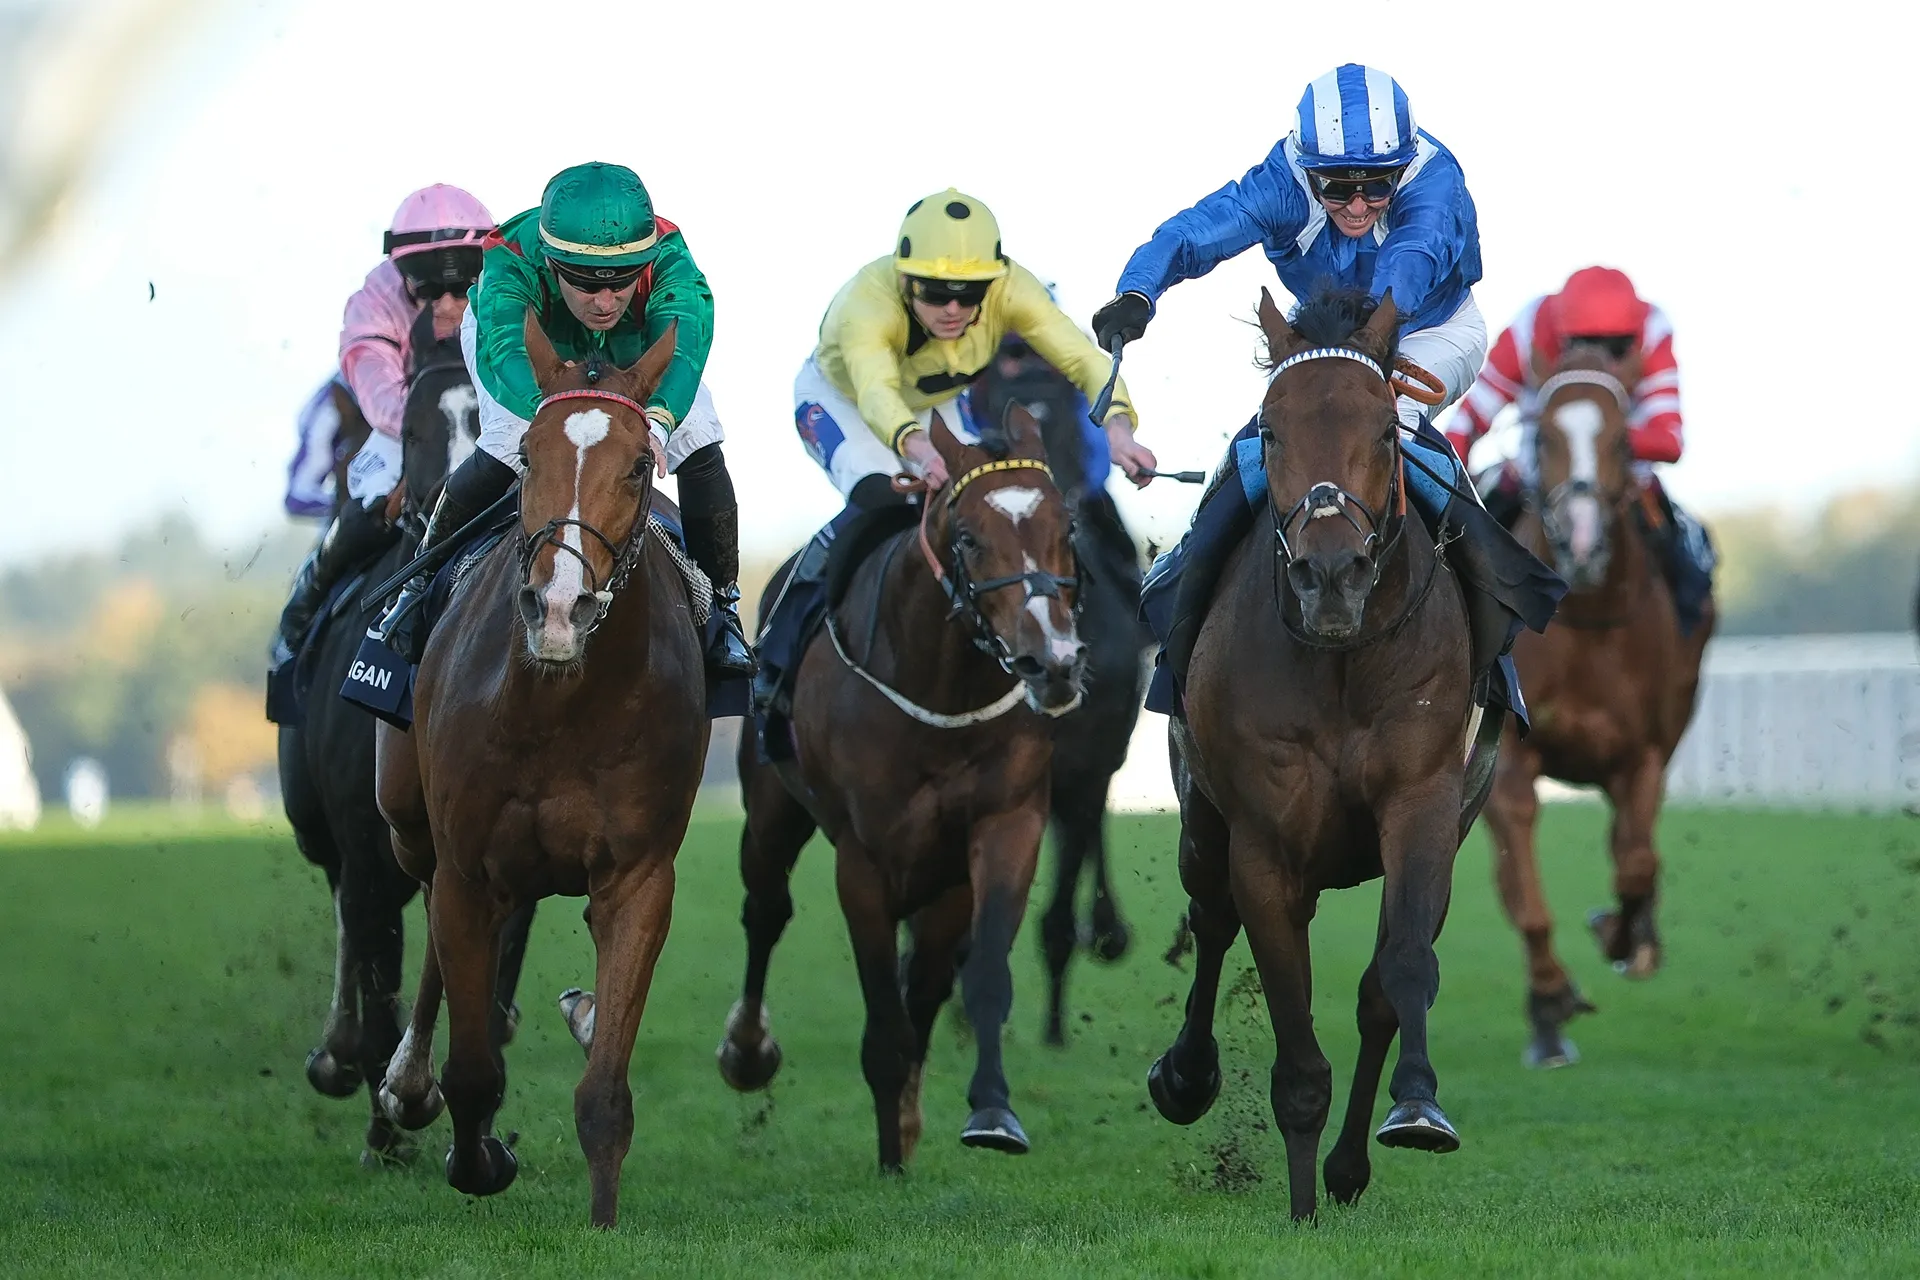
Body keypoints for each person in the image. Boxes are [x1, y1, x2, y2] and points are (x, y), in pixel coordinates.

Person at [1092, 64, 1558, 713]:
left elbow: (1408, 268)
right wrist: (1139, 290)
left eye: (1377, 185)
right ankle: (1183, 611)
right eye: (1339, 188)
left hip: (1429, 328)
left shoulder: (1435, 182)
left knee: (1391, 421)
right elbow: (1196, 233)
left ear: (1402, 168)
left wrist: (1360, 362)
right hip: (1329, 337)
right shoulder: (1281, 180)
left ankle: (1491, 642)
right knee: (1264, 440)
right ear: (1309, 172)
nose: (1361, 204)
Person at [754, 189, 1155, 730]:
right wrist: (915, 449)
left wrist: (1119, 428)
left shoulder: (1014, 289)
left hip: (936, 402)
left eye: (970, 296)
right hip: (845, 401)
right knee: (882, 496)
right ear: (904, 281)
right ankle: (776, 655)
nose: (954, 309)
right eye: (936, 293)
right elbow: (876, 393)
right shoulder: (866, 306)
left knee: (982, 506)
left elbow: (1083, 359)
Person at [371, 161, 755, 677]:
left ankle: (724, 610)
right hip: (532, 346)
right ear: (552, 264)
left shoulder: (672, 261)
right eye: (585, 283)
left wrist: (659, 423)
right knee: (508, 444)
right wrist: (552, 419)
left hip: (635, 349)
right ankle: (418, 588)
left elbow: (684, 350)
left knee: (700, 444)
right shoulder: (509, 262)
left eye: (621, 283)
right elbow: (506, 349)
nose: (603, 301)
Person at [270, 184, 494, 670]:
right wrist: (429, 453)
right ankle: (307, 601)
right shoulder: (373, 302)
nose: (449, 306)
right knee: (370, 494)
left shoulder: (514, 287)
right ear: (402, 276)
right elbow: (382, 401)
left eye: (462, 288)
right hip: (403, 430)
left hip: (496, 422)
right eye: (429, 289)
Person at [1452, 265, 1712, 629]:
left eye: (1618, 348)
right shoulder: (1529, 329)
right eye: (1581, 345)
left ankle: (1687, 629)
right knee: (1460, 545)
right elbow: (1464, 425)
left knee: (1691, 564)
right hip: (1535, 466)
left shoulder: (1654, 331)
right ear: (1560, 338)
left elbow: (1670, 441)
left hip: (1624, 470)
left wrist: (1601, 437)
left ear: (1634, 338)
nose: (1600, 359)